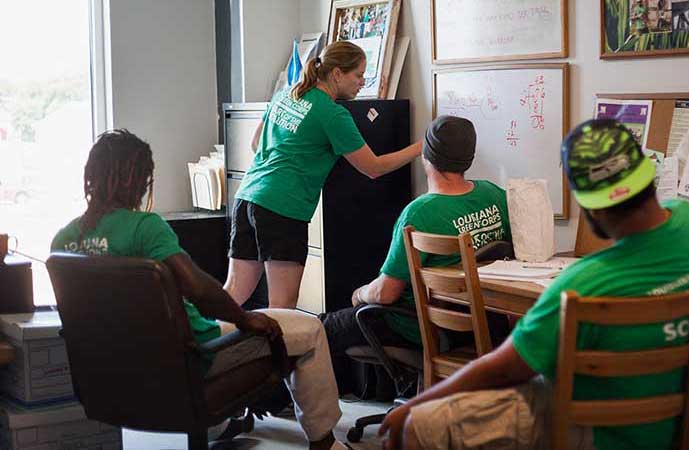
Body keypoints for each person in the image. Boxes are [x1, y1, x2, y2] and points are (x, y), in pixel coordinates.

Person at [378, 119, 689, 450]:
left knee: (420, 425)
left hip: (591, 431)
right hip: (670, 425)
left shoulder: (582, 286)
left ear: (593, 212)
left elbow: (503, 367)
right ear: (648, 177)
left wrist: (412, 406)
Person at [51, 130, 346, 450]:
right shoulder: (144, 228)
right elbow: (198, 288)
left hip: (117, 374)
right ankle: (325, 443)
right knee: (311, 328)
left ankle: (221, 427)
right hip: (194, 357)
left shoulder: (63, 241)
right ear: (134, 180)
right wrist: (246, 319)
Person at [228, 40, 421, 310]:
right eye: (358, 75)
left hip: (248, 197)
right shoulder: (332, 114)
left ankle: (202, 347)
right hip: (282, 208)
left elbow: (254, 142)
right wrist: (420, 147)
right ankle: (277, 354)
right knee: (283, 305)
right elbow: (373, 168)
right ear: (337, 74)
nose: (362, 82)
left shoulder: (288, 93)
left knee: (234, 292)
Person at [322, 115, 512, 357]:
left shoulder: (419, 213)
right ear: (469, 158)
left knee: (323, 328)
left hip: (421, 327)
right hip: (483, 327)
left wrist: (359, 294)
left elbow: (386, 294)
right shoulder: (494, 194)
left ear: (426, 157)